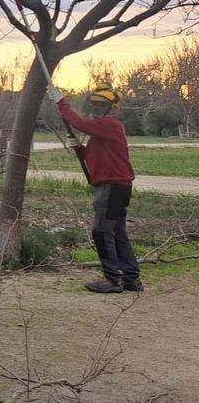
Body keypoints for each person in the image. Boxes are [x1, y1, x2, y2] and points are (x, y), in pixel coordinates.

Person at [47, 84, 141, 293]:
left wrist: (61, 103)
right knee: (117, 232)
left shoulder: (110, 124)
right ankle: (130, 279)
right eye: (94, 104)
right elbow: (94, 157)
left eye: (102, 105)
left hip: (112, 187)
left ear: (112, 108)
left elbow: (79, 122)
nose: (97, 107)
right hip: (117, 185)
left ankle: (112, 279)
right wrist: (80, 149)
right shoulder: (102, 130)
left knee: (101, 231)